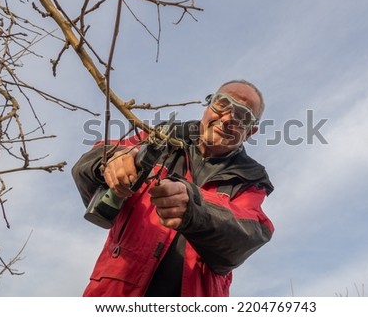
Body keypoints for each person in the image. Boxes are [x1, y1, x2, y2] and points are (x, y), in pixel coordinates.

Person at [71, 79, 274, 297]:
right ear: (208, 106)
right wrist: (111, 159)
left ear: (250, 132)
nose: (227, 119)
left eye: (242, 116)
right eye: (222, 104)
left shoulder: (251, 178)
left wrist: (195, 207)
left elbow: (248, 235)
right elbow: (91, 161)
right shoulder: (162, 136)